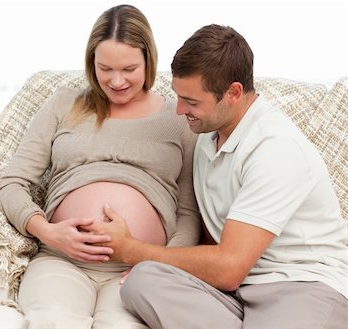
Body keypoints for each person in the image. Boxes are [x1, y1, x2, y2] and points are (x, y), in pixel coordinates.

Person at [89, 24, 348, 329]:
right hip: (236, 292)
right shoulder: (207, 137)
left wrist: (133, 250)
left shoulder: (276, 149)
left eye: (193, 102)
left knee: (148, 265)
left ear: (233, 93)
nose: (180, 110)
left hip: (299, 286)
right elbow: (212, 242)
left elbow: (228, 267)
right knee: (142, 282)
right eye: (179, 97)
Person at [0, 4, 200, 328]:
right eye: (105, 69)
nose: (116, 81)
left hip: (140, 269)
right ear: (91, 63)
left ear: (148, 60)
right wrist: (48, 232)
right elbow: (11, 183)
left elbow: (189, 213)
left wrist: (159, 266)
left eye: (129, 69)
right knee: (53, 321)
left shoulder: (179, 119)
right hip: (62, 261)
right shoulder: (63, 104)